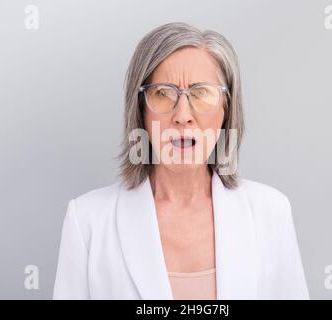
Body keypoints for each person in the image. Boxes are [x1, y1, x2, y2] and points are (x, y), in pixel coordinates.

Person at [53, 22, 309, 300]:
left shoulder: (271, 212)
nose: (183, 115)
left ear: (227, 108)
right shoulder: (87, 221)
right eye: (163, 94)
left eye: (201, 94)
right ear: (140, 110)